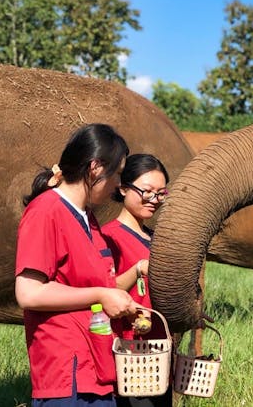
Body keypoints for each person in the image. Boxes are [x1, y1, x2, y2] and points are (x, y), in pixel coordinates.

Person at [15, 123, 140, 406]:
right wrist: (100, 295)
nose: (119, 185)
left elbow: (90, 284)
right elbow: (29, 293)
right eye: (118, 173)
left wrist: (120, 302)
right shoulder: (46, 210)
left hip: (96, 366)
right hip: (67, 373)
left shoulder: (87, 217)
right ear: (96, 167)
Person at [102, 153, 171, 407]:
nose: (154, 200)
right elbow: (104, 290)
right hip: (130, 352)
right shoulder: (109, 237)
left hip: (159, 351)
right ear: (122, 189)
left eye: (161, 193)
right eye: (147, 191)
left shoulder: (156, 238)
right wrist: (138, 269)